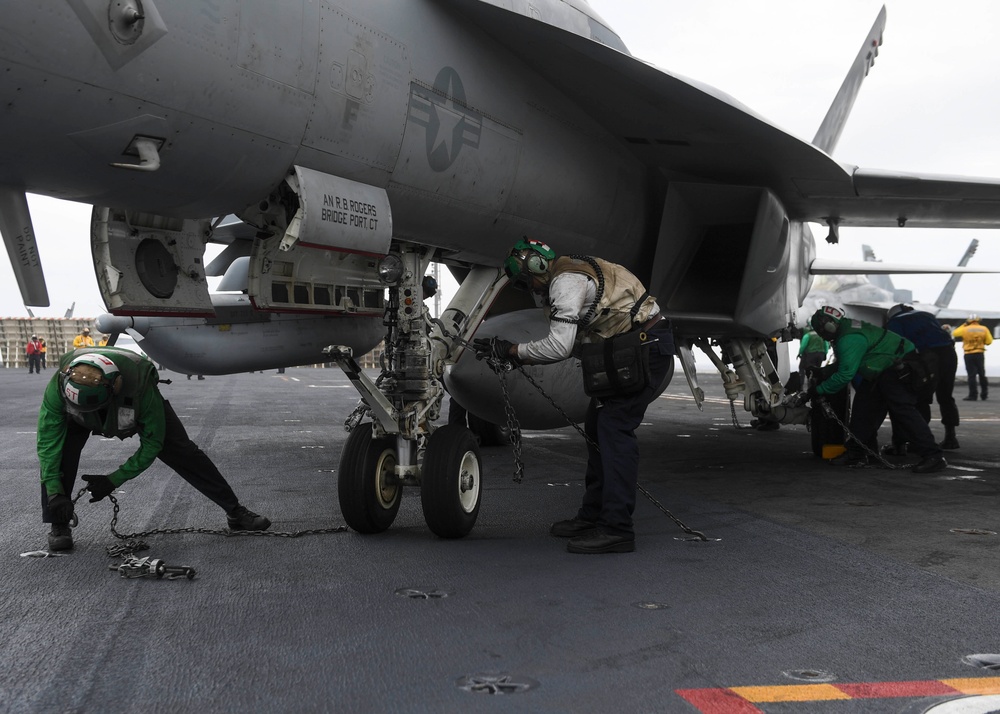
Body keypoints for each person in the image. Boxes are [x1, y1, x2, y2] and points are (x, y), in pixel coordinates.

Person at [474, 239, 675, 554]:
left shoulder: (566, 282)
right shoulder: (568, 273)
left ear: (538, 268)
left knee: (614, 428)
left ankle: (618, 529)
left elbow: (559, 347)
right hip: (624, 351)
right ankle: (593, 516)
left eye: (529, 281)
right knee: (598, 427)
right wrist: (513, 355)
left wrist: (513, 350)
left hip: (644, 351)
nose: (532, 289)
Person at [38, 348, 270, 551]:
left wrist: (114, 480)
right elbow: (48, 443)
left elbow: (153, 444)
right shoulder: (59, 388)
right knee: (58, 456)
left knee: (184, 452)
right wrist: (55, 492)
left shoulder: (141, 388)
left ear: (114, 388)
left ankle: (235, 511)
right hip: (74, 416)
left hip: (130, 406)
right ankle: (58, 523)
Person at [808, 306, 946, 473]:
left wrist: (820, 390)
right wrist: (824, 371)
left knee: (904, 412)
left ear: (828, 327)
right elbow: (849, 360)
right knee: (863, 410)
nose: (823, 336)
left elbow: (845, 374)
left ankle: (934, 456)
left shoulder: (849, 338)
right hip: (881, 370)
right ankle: (857, 452)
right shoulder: (847, 329)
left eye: (821, 332)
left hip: (895, 369)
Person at [885, 304, 960, 449]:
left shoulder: (895, 322)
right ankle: (951, 438)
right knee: (946, 396)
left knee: (921, 397)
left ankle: (918, 442)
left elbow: (895, 345)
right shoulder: (927, 315)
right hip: (949, 353)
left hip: (929, 356)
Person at [952, 315, 992, 401]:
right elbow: (989, 341)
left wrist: (964, 324)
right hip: (980, 353)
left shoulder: (965, 329)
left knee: (971, 375)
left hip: (969, 354)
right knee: (982, 374)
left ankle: (973, 395)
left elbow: (954, 333)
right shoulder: (984, 329)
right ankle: (984, 394)